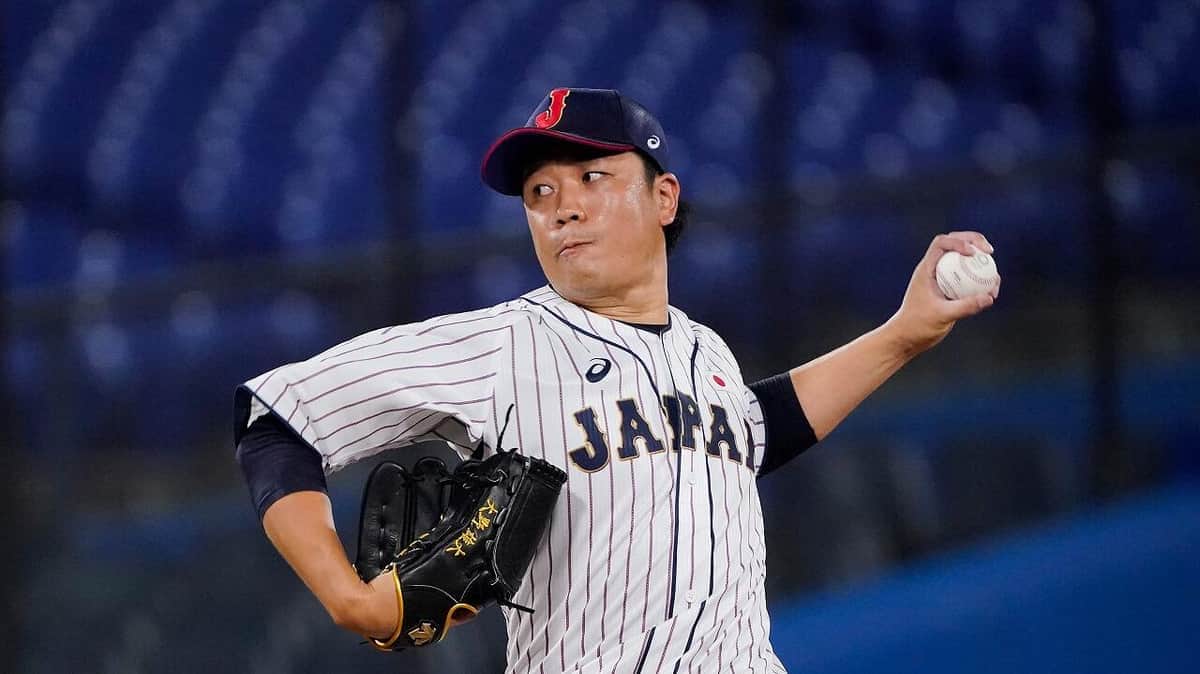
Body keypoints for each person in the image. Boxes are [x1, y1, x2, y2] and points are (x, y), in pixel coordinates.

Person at [234, 87, 999, 673]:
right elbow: (278, 418)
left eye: (592, 176)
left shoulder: (708, 354)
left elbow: (754, 430)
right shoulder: (504, 344)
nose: (562, 208)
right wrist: (347, 595)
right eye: (540, 194)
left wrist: (905, 334)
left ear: (663, 197)